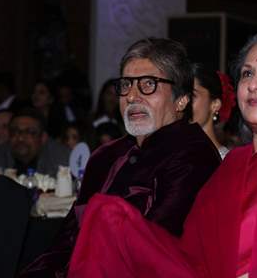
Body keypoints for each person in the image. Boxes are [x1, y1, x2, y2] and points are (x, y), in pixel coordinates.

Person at [67, 29, 257, 278]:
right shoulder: (236, 161)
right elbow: (192, 251)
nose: (254, 84)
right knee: (107, 216)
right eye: (246, 74)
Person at [20, 38, 221, 277]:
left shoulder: (194, 154)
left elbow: (157, 244)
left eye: (148, 84)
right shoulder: (105, 156)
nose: (133, 96)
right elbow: (66, 239)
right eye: (126, 85)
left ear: (181, 99)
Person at [0, 108, 70, 176]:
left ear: (43, 137)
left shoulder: (61, 159)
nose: (20, 138)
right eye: (15, 131)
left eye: (30, 132)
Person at [192, 63, 236, 159]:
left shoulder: (226, 163)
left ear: (214, 104)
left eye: (192, 96)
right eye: (181, 95)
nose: (183, 103)